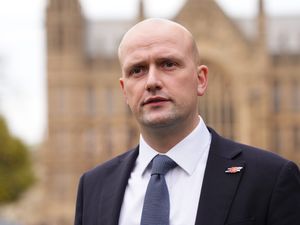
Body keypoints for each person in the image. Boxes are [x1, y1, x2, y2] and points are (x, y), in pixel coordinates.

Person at [74, 18, 300, 225]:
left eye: (168, 64)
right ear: (124, 90)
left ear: (201, 80)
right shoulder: (93, 188)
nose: (152, 81)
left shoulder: (270, 179)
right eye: (137, 70)